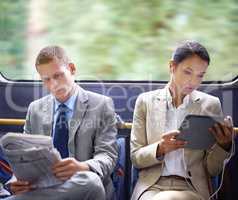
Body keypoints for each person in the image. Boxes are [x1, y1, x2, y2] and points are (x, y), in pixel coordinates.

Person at [5, 46, 118, 200]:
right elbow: (24, 158)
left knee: (91, 181)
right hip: (44, 187)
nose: (54, 84)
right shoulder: (35, 109)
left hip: (84, 188)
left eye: (58, 75)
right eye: (46, 79)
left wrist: (82, 167)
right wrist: (16, 181)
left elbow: (108, 156)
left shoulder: (102, 104)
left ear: (72, 69)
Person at [130, 41, 233, 200]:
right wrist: (160, 148)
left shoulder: (210, 105)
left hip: (192, 187)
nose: (194, 81)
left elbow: (212, 170)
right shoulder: (145, 102)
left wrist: (223, 146)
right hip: (151, 187)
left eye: (200, 75)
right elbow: (136, 158)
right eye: (188, 72)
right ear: (172, 66)